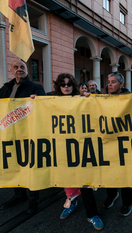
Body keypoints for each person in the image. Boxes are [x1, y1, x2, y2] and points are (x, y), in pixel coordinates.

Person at [0, 59, 45, 214]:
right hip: (9, 135)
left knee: (30, 167)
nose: (19, 69)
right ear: (12, 71)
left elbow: (43, 111)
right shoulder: (7, 88)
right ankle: (19, 195)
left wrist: (38, 101)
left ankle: (34, 200)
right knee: (13, 166)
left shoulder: (36, 88)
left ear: (27, 70)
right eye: (16, 67)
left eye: (22, 67)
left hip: (29, 136)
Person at [103, 72, 132, 216]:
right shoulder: (102, 99)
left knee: (124, 173)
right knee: (110, 170)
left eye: (113, 81)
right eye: (108, 81)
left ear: (122, 84)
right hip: (109, 142)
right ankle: (112, 194)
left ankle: (128, 202)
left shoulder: (130, 99)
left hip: (125, 143)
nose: (110, 84)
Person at [52, 74, 82, 219]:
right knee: (66, 172)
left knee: (82, 171)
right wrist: (34, 100)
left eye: (69, 84)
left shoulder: (81, 100)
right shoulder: (50, 100)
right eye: (63, 84)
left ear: (73, 86)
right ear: (58, 86)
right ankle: (71, 199)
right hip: (62, 143)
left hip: (80, 143)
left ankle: (82, 199)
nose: (66, 87)